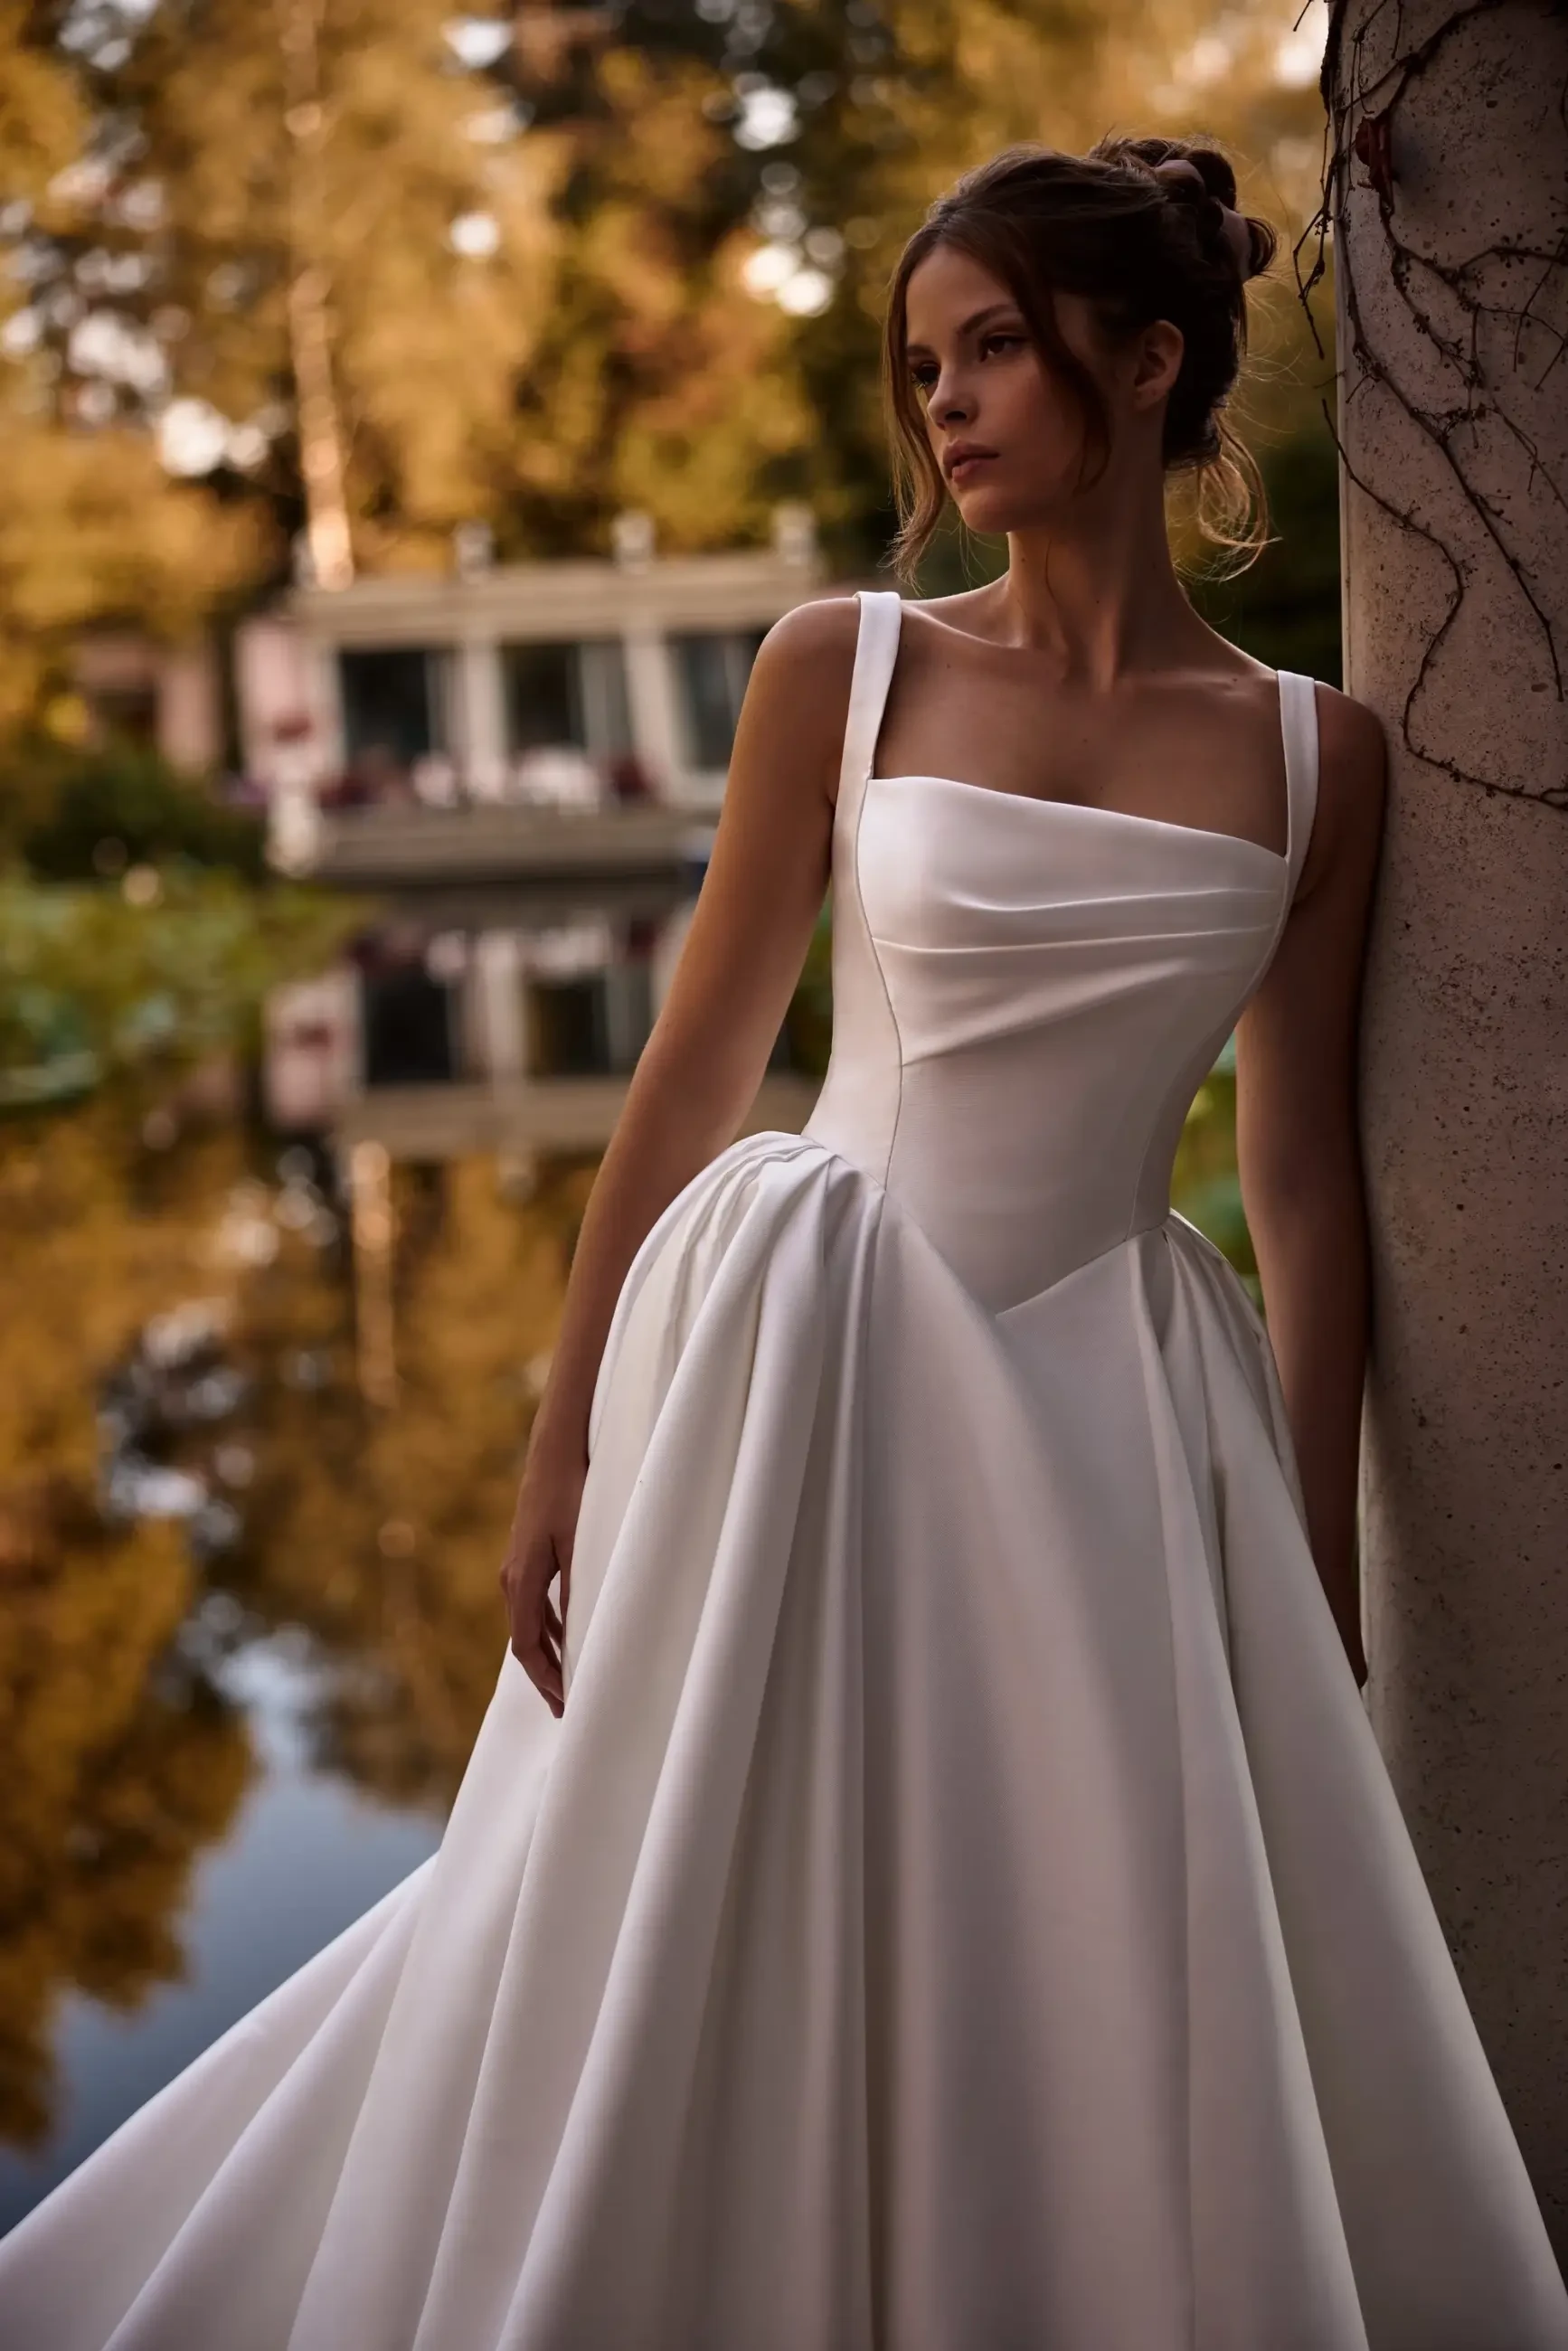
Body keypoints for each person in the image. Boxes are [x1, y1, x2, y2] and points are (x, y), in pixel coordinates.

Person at [3, 134, 1565, 2351]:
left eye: (996, 345)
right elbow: (697, 1060)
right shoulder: (842, 669)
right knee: (676, 1910)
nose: (944, 401)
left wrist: (1308, 1562)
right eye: (923, 362)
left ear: (1150, 356)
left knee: (1091, 1934)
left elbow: (1299, 1176)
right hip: (816, 1341)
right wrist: (557, 1441)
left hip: (1125, 1386)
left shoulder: (1326, 760)